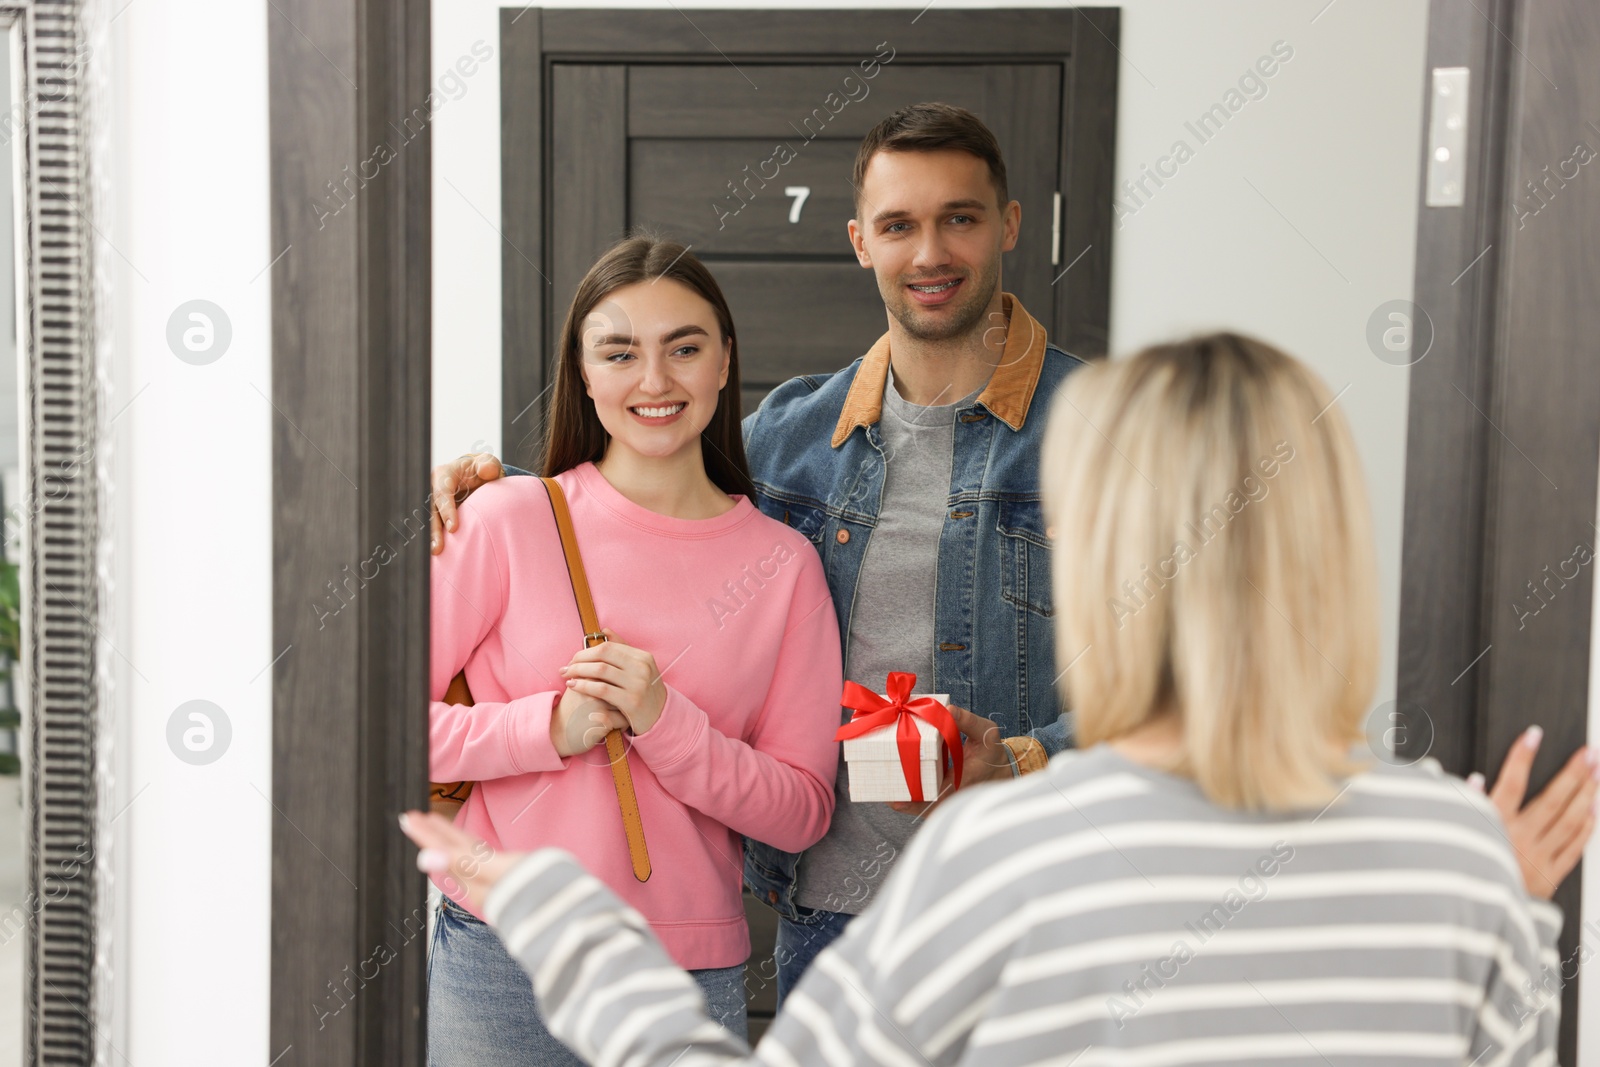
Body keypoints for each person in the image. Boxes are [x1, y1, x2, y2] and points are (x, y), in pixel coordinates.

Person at [427, 102, 1599, 1002]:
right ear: (859, 242)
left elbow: (1213, 677)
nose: (928, 249)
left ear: (1008, 227)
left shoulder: (1115, 432)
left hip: (1035, 913)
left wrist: (1030, 758)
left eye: (958, 217)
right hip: (830, 919)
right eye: (898, 223)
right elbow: (649, 520)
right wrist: (481, 488)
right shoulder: (789, 438)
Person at [404, 331, 1586, 1066]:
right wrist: (1509, 911)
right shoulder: (1453, 856)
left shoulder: (1011, 849)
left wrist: (566, 922)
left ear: (1108, 546)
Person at [424, 235, 844, 1066]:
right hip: (502, 956)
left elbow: (801, 810)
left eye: (683, 348)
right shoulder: (507, 519)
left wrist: (665, 722)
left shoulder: (783, 566)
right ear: (584, 373)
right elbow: (379, 736)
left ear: (725, 362)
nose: (654, 381)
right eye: (620, 353)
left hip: (686, 978)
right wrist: (546, 727)